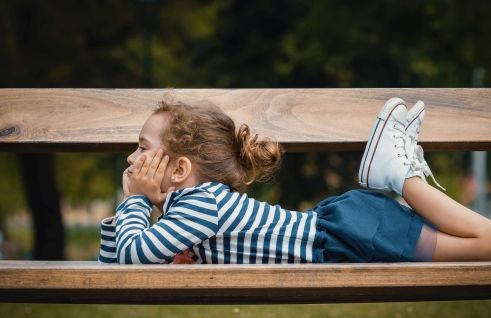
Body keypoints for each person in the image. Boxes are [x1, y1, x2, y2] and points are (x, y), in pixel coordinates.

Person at [98, 97, 491, 264]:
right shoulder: (188, 210)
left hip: (352, 232)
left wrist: (135, 201)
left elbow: (133, 257)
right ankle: (394, 172)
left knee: (486, 243)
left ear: (181, 170)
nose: (131, 159)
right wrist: (132, 207)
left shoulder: (202, 204)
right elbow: (118, 262)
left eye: (142, 147)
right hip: (348, 233)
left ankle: (397, 173)